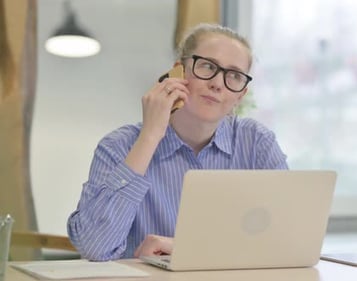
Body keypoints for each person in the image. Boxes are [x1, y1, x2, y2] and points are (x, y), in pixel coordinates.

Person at [67, 23, 288, 261]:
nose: (217, 83)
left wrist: (184, 247)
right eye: (207, 66)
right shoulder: (117, 146)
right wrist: (150, 135)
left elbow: (287, 241)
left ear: (240, 95)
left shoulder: (257, 143)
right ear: (179, 72)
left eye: (234, 76)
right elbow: (94, 247)